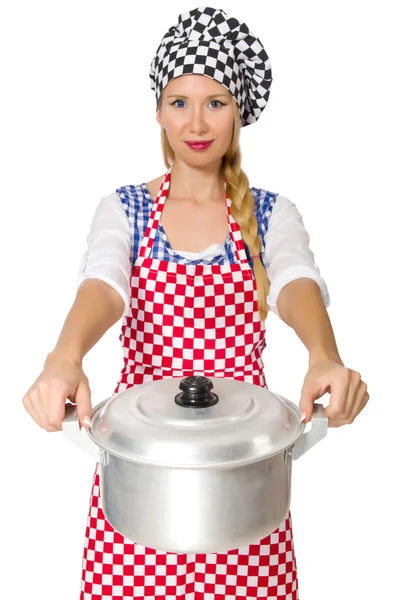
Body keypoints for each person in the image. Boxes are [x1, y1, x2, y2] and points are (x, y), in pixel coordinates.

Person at [22, 6, 369, 600]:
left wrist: (323, 354)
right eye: (180, 102)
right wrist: (65, 355)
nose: (196, 122)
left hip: (246, 496)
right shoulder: (125, 209)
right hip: (135, 500)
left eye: (216, 102)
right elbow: (104, 281)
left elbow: (294, 282)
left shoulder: (270, 213)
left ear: (240, 113)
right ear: (157, 109)